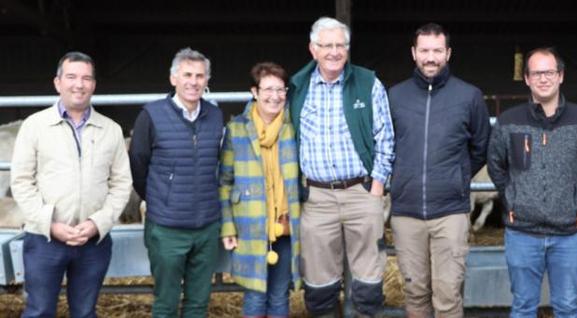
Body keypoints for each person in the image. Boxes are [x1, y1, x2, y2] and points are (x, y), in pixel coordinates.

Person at [487, 47, 577, 318]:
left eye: (549, 72)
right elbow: (496, 165)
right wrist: (514, 198)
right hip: (522, 232)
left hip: (568, 234)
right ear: (527, 79)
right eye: (536, 73)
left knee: (566, 305)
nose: (543, 79)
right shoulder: (509, 121)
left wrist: (575, 197)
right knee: (522, 305)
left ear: (561, 76)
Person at [10, 51, 132, 317]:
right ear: (58, 82)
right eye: (72, 77)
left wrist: (98, 223)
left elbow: (122, 183)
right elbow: (20, 181)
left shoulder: (110, 129)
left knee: (85, 311)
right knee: (39, 310)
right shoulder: (35, 126)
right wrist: (49, 224)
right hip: (45, 238)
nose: (79, 84)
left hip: (93, 241)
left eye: (86, 78)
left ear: (94, 85)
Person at [287, 16, 395, 318]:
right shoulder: (297, 87)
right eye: (326, 45)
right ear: (313, 49)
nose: (334, 51)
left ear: (347, 49)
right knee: (320, 286)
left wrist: (377, 187)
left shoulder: (368, 83)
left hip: (362, 192)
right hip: (317, 198)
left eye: (340, 45)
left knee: (368, 284)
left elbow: (385, 137)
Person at [387, 23, 490, 318]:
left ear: (448, 53)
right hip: (406, 212)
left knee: (447, 294)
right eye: (424, 51)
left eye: (436, 51)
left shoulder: (469, 96)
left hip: (450, 212)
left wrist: (454, 177)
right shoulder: (395, 96)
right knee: (415, 293)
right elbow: (384, 145)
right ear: (413, 53)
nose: (430, 57)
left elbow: (481, 147)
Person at [129, 48, 224, 317]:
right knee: (166, 302)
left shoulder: (214, 116)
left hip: (206, 225)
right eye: (187, 75)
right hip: (167, 227)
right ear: (173, 79)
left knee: (199, 302)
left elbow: (219, 163)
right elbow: (138, 163)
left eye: (200, 76)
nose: (193, 82)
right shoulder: (152, 115)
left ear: (207, 81)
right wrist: (161, 199)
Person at [219, 62, 301, 318]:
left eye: (280, 89)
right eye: (268, 89)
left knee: (279, 296)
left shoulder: (294, 127)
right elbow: (225, 182)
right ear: (254, 92)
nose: (274, 96)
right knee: (254, 295)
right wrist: (228, 226)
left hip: (285, 225)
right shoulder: (237, 129)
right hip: (250, 225)